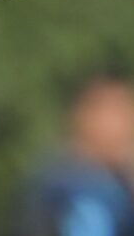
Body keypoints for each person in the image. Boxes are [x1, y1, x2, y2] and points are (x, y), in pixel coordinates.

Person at [14, 73, 134, 236]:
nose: (128, 124)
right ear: (86, 117)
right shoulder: (83, 191)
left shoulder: (60, 176)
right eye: (120, 111)